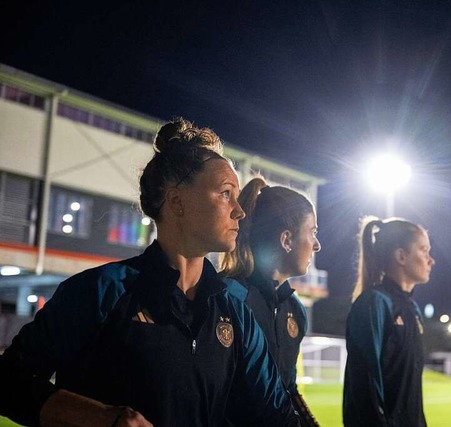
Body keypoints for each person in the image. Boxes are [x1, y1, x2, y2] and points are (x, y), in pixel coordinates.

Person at [0, 118, 299, 427]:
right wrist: (103, 418)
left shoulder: (235, 312)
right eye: (226, 193)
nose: (240, 210)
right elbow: (8, 380)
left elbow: (278, 417)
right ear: (177, 201)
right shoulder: (100, 292)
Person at [220, 177, 321, 426]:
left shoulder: (295, 309)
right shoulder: (226, 298)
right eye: (312, 232)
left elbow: (288, 388)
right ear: (286, 240)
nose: (317, 245)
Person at [343, 216, 436, 427]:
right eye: (423, 250)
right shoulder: (374, 304)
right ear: (401, 256)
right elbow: (364, 386)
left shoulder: (412, 309)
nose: (431, 260)